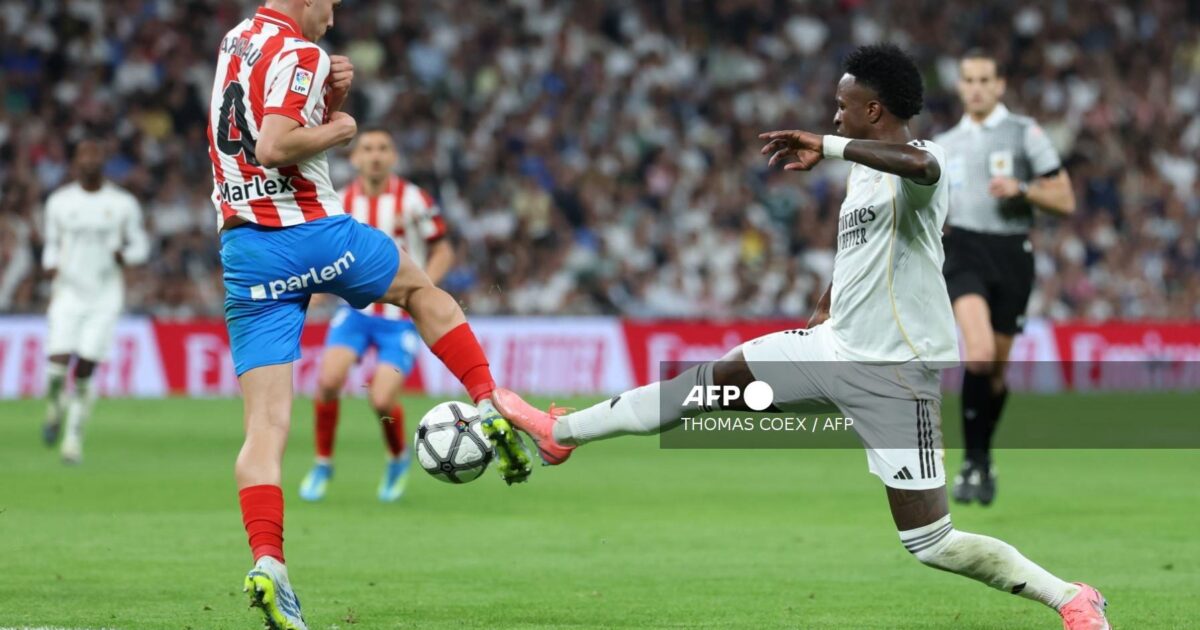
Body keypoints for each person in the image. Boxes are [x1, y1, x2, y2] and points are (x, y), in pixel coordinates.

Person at [493, 44, 1109, 630]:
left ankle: (1071, 597)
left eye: (843, 106)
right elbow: (861, 255)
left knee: (931, 542)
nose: (834, 117)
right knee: (703, 387)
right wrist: (824, 306)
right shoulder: (861, 176)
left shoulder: (925, 160)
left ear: (873, 111)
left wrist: (831, 146)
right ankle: (561, 434)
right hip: (830, 349)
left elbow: (922, 167)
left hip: (896, 376)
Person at [207, 3, 532, 628]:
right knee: (424, 294)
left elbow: (253, 125)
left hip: (246, 253)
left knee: (264, 427)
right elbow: (274, 145)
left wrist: (325, 98)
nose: (332, 15)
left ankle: (269, 563)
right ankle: (490, 402)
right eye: (330, 2)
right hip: (311, 231)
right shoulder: (302, 53)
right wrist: (341, 126)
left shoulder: (237, 39)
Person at [934, 49, 1076, 506]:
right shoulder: (944, 144)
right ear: (960, 86)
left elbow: (1065, 199)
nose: (976, 88)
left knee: (995, 371)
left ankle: (983, 458)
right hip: (963, 249)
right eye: (969, 80)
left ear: (999, 86)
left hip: (1012, 253)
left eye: (984, 80)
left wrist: (1024, 189)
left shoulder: (1024, 132)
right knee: (977, 355)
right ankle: (971, 463)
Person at [300, 128, 455, 503]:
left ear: (393, 157)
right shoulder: (340, 201)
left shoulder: (414, 199)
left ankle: (397, 457)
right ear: (354, 158)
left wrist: (423, 290)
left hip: (399, 318)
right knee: (328, 381)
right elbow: (326, 253)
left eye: (383, 148)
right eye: (367, 149)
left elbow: (443, 250)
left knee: (382, 399)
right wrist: (316, 287)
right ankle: (322, 463)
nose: (375, 155)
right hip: (355, 313)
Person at [40, 137, 148, 464]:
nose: (89, 161)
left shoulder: (122, 204)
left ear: (103, 161)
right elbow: (51, 244)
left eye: (94, 155)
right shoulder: (60, 202)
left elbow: (140, 246)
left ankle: (73, 438)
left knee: (85, 366)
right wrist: (50, 264)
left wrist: (126, 256)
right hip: (68, 293)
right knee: (57, 369)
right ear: (75, 162)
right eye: (83, 155)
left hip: (105, 297)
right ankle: (54, 406)